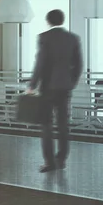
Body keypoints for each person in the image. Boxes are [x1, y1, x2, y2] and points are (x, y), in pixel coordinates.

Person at [26, 9, 83, 173]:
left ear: (48, 21)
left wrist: (32, 84)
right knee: (63, 125)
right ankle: (61, 160)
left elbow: (41, 63)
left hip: (48, 87)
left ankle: (49, 163)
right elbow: (78, 65)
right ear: (62, 20)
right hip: (65, 87)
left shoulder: (45, 37)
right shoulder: (73, 39)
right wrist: (71, 82)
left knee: (46, 125)